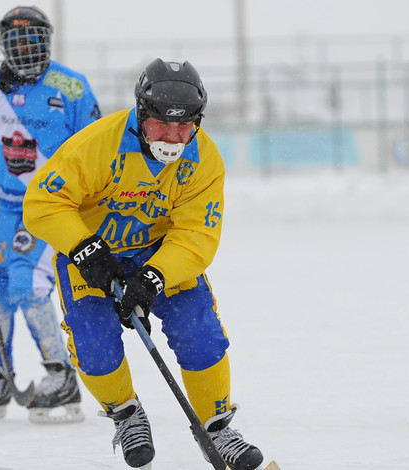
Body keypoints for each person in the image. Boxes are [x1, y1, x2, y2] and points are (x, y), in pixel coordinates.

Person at [23, 59, 273, 470]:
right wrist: (86, 250)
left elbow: (197, 235)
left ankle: (216, 425)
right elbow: (42, 202)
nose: (174, 137)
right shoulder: (97, 144)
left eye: (185, 125)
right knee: (92, 339)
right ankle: (126, 414)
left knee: (199, 329)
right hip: (92, 252)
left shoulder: (204, 161)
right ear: (142, 114)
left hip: (159, 252)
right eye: (162, 124)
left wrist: (155, 276)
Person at [0, 5, 101, 424]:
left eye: (32, 41)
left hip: (54, 208)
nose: (23, 51)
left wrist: (89, 208)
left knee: (28, 281)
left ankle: (61, 376)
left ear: (46, 42)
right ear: (2, 46)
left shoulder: (71, 86)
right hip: (6, 207)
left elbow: (93, 150)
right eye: (15, 43)